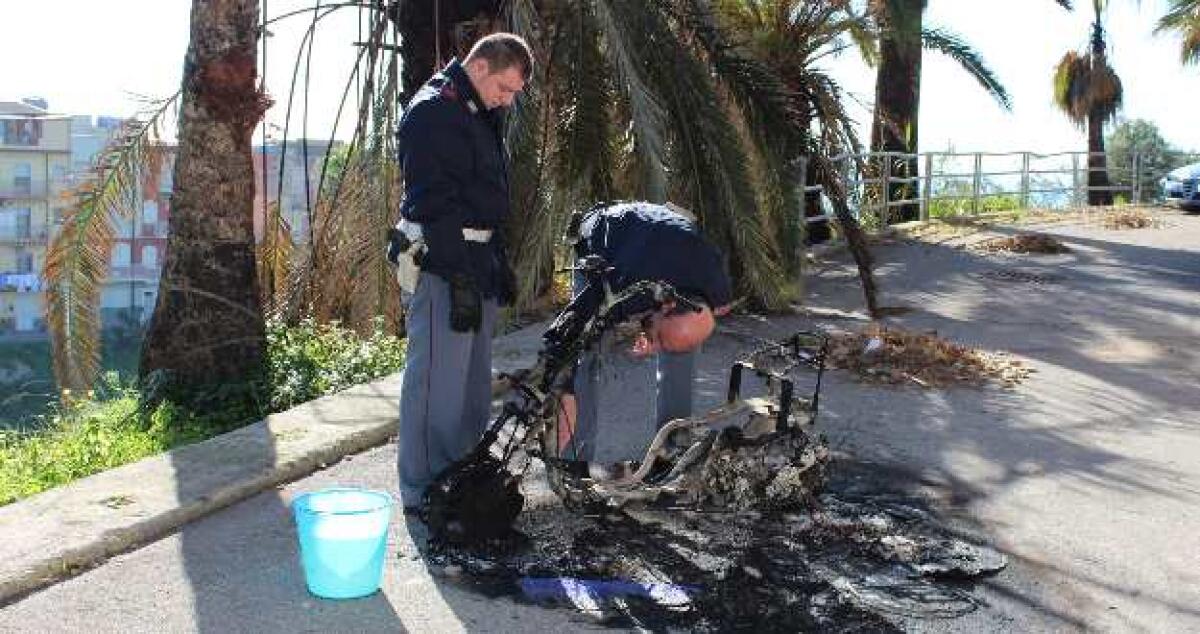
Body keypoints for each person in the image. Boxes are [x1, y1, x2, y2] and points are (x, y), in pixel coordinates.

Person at [390, 33, 532, 511]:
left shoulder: (477, 111)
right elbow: (433, 202)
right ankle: (421, 491)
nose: (507, 101)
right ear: (480, 68)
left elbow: (486, 197)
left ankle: (458, 477)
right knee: (436, 383)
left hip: (477, 259)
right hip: (443, 261)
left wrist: (497, 262)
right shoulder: (434, 110)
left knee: (471, 385)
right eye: (505, 89)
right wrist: (458, 274)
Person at [554, 201, 734, 466]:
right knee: (586, 360)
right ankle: (572, 462)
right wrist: (566, 389)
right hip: (604, 240)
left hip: (662, 236)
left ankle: (672, 453)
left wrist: (659, 336)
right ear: (665, 305)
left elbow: (711, 312)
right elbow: (569, 336)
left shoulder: (712, 282)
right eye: (659, 341)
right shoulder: (620, 284)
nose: (656, 348)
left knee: (682, 349)